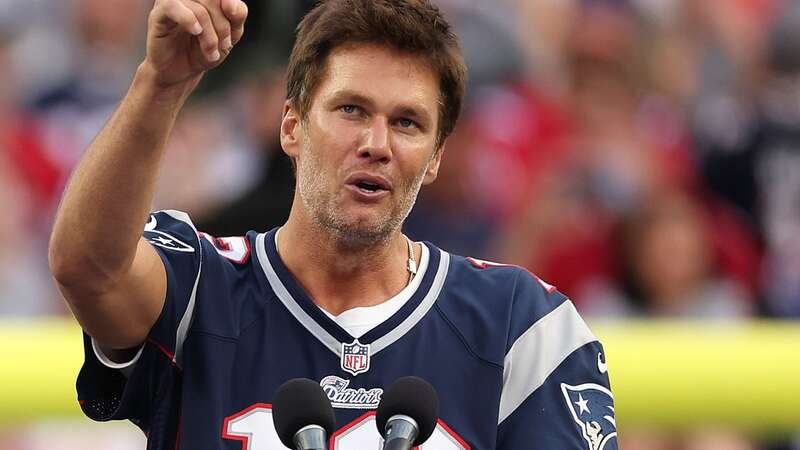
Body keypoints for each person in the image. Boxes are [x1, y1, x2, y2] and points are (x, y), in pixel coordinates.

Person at [48, 0, 617, 448]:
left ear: (438, 156)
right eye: (351, 110)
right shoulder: (200, 285)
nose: (376, 145)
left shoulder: (520, 324)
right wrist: (161, 83)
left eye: (408, 123)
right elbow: (88, 268)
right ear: (291, 126)